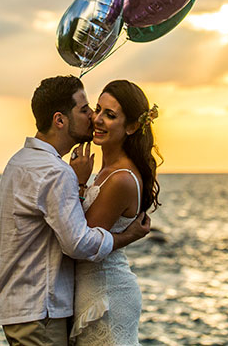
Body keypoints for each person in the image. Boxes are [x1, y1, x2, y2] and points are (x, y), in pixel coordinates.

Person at [0, 75, 151, 346]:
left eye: (102, 112)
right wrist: (127, 237)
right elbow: (79, 243)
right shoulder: (56, 171)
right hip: (42, 310)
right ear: (60, 120)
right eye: (87, 109)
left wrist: (79, 184)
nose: (93, 118)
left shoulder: (18, 163)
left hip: (31, 307)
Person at [70, 79, 161, 346]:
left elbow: (81, 242)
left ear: (132, 126)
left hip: (107, 293)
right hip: (92, 290)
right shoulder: (106, 172)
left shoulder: (121, 178)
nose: (97, 119)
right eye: (98, 110)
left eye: (109, 115)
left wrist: (78, 183)